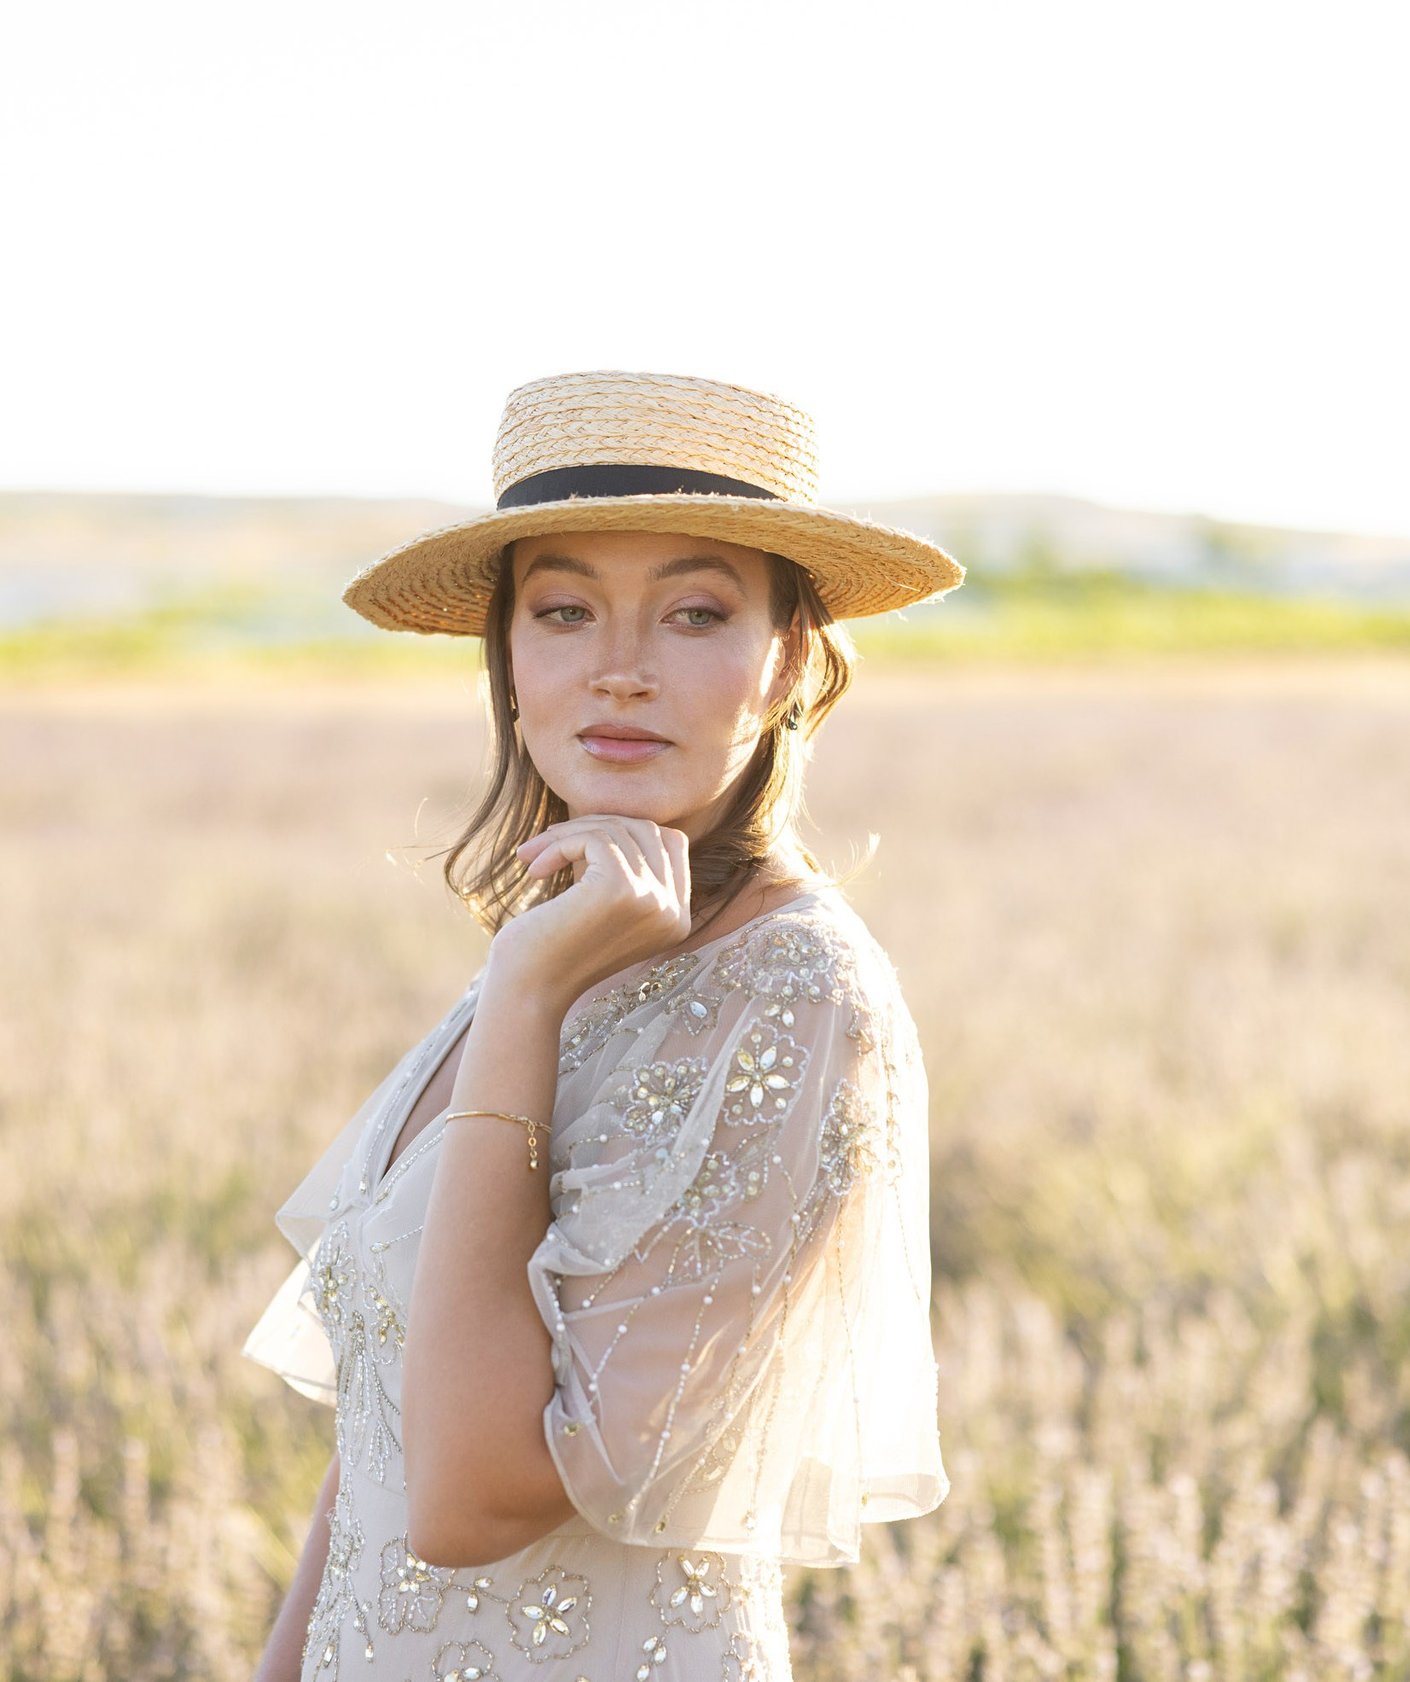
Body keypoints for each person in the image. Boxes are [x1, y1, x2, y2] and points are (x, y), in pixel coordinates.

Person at [245, 371, 961, 1682]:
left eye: (695, 613)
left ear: (791, 658)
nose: (619, 671)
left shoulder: (791, 1001)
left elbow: (469, 1498)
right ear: (509, 660)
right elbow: (381, 1439)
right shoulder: (571, 932)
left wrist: (522, 999)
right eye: (564, 610)